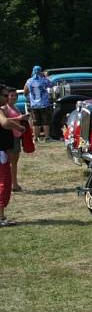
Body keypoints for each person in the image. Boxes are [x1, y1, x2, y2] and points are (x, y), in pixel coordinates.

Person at [0, 85, 26, 226]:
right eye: (4, 95)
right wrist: (18, 125)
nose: (7, 97)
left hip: (3, 151)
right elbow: (4, 122)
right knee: (4, 183)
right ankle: (1, 218)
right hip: (1, 153)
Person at [2, 90, 26, 191]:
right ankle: (14, 184)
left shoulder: (14, 107)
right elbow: (4, 121)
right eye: (11, 95)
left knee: (14, 162)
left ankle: (13, 183)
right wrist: (19, 118)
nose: (14, 97)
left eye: (15, 96)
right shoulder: (4, 108)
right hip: (10, 137)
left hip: (16, 136)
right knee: (11, 162)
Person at [23, 65, 53, 141]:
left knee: (35, 122)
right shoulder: (44, 80)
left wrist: (29, 98)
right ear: (40, 72)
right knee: (46, 121)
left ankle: (35, 138)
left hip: (34, 105)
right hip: (44, 104)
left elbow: (25, 91)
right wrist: (45, 76)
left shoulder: (29, 81)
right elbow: (51, 85)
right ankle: (47, 137)